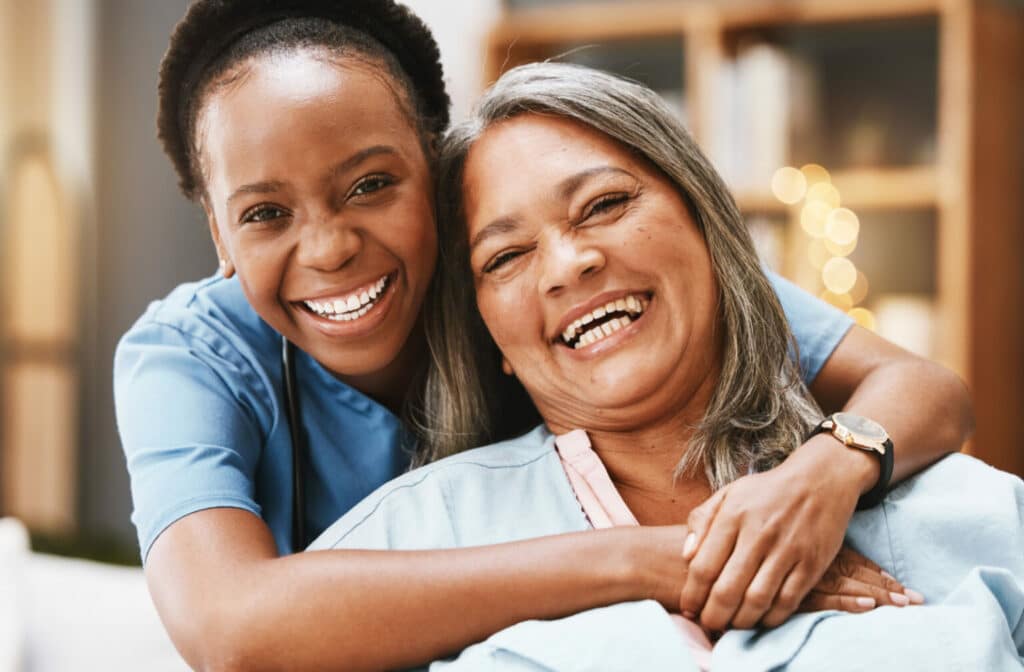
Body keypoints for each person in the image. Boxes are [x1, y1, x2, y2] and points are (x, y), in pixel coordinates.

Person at [114, 1, 972, 669]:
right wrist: (670, 561)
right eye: (264, 213)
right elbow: (228, 628)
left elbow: (923, 389)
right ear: (218, 234)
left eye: (372, 185)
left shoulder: (548, 268)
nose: (332, 247)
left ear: (437, 168)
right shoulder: (190, 357)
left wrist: (820, 477)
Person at [311, 61, 1024, 671]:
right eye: (505, 257)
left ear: (708, 226)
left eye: (605, 204)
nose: (570, 263)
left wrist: (830, 472)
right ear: (487, 334)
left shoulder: (966, 514)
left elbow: (935, 392)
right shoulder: (412, 538)